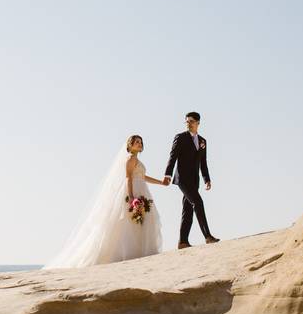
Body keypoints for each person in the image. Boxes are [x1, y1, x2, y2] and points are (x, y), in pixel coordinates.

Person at [43, 135, 166, 268]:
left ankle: (140, 252)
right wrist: (131, 197)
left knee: (143, 221)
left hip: (142, 190)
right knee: (128, 222)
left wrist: (160, 182)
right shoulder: (130, 159)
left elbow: (142, 176)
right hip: (134, 191)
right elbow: (129, 178)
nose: (139, 144)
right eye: (136, 142)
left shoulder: (136, 160)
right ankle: (127, 253)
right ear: (130, 145)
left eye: (141, 142)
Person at [163, 111, 220, 249]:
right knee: (198, 202)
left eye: (191, 121)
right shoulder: (180, 137)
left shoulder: (202, 141)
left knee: (187, 209)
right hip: (182, 179)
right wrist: (168, 175)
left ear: (198, 123)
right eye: (187, 121)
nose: (189, 124)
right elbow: (173, 156)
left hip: (195, 180)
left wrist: (206, 178)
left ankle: (183, 241)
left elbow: (203, 162)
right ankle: (207, 236)